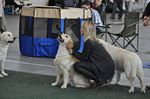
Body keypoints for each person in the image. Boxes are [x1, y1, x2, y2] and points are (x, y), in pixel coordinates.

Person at [68, 21, 115, 88]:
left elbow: (82, 58)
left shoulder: (89, 42)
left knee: (77, 66)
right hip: (108, 68)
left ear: (86, 30)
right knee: (82, 64)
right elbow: (85, 56)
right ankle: (100, 79)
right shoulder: (93, 41)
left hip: (103, 68)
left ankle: (99, 80)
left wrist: (71, 50)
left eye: (82, 28)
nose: (80, 29)